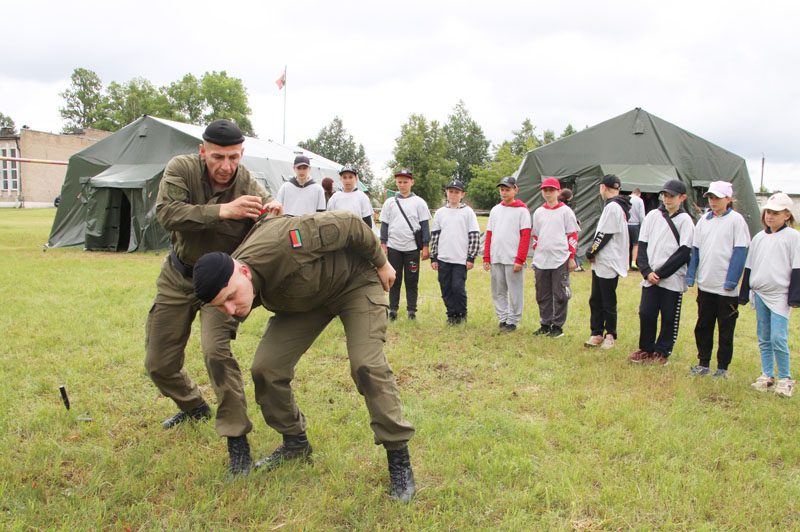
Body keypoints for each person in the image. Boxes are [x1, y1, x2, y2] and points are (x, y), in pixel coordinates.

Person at [191, 211, 417, 502]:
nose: (232, 309)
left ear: (244, 272)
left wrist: (382, 263)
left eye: (233, 297)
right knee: (266, 369)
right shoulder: (223, 289)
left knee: (366, 365)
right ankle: (295, 443)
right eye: (222, 305)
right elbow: (215, 340)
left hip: (354, 284)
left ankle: (398, 457)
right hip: (306, 303)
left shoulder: (285, 240)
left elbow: (349, 224)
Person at [145, 119, 282, 475]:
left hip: (221, 288)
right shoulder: (181, 169)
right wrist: (223, 210)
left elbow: (269, 222)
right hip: (179, 275)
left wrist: (273, 215)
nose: (226, 166)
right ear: (202, 151)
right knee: (159, 363)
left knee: (216, 353)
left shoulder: (248, 181)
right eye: (218, 157)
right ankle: (193, 406)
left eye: (234, 157)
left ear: (242, 154)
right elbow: (166, 213)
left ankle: (237, 440)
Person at [685, 181, 750, 378]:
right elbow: (695, 250)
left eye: (717, 198)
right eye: (711, 198)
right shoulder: (704, 220)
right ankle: (703, 363)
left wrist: (731, 281)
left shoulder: (736, 221)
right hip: (706, 285)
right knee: (703, 326)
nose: (713, 202)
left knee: (725, 329)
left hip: (725, 289)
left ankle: (722, 367)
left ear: (728, 199)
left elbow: (740, 252)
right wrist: (691, 275)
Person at [739, 193, 800, 397]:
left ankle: (785, 378)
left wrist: (795, 296)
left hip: (780, 295)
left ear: (786, 215)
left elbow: (797, 267)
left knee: (778, 337)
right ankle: (767, 375)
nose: (770, 216)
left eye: (775, 213)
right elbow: (749, 266)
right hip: (761, 293)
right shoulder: (759, 238)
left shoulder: (793, 237)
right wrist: (744, 292)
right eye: (768, 212)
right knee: (764, 337)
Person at [628, 180, 694, 365]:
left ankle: (662, 351)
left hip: (672, 279)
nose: (667, 199)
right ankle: (646, 348)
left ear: (682, 198)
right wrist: (647, 271)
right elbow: (642, 246)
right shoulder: (652, 216)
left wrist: (662, 273)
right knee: (646, 313)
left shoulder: (685, 221)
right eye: (664, 195)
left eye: (671, 196)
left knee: (669, 316)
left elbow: (683, 252)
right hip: (650, 277)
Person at [584, 174, 630, 349]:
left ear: (603, 187)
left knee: (607, 300)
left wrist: (591, 251)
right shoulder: (616, 206)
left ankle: (610, 334)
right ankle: (596, 332)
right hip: (604, 261)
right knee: (596, 298)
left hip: (609, 260)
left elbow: (604, 234)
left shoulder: (613, 207)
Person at [379, 169, 431, 321]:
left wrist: (426, 246)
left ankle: (411, 310)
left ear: (412, 182)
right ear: (396, 183)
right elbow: (384, 225)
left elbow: (424, 226)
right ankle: (393, 309)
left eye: (405, 181)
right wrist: (383, 243)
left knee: (411, 280)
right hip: (394, 247)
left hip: (412, 248)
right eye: (399, 182)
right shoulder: (389, 203)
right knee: (394, 279)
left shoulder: (419, 202)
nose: (402, 185)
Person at [531, 178, 579, 338]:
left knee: (560, 293)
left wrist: (571, 256)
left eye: (551, 190)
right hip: (542, 259)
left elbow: (572, 234)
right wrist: (536, 252)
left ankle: (557, 326)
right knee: (542, 293)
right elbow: (536, 235)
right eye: (545, 190)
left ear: (558, 192)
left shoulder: (565, 212)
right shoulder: (538, 212)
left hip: (560, 258)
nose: (548, 193)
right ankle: (545, 323)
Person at [483, 176, 532, 332]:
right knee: (498, 290)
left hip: (512, 258)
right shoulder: (496, 210)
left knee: (515, 290)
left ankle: (513, 320)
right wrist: (486, 256)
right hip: (497, 256)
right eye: (502, 190)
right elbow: (489, 233)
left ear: (515, 190)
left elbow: (525, 236)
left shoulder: (522, 211)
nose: (504, 193)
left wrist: (520, 258)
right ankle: (503, 317)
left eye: (507, 189)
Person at [429, 179, 481, 325]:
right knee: (445, 287)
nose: (453, 194)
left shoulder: (468, 212)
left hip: (460, 258)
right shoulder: (440, 213)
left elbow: (474, 235)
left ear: (462, 194)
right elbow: (435, 235)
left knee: (457, 287)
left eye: (456, 192)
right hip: (443, 258)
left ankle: (461, 314)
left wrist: (471, 257)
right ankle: (451, 314)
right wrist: (434, 257)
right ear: (446, 192)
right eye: (450, 191)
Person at [628, 188, 646, 270]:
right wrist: (644, 226)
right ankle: (633, 262)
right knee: (636, 244)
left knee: (626, 244)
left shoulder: (626, 198)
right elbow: (642, 215)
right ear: (639, 194)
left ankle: (625, 263)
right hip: (635, 225)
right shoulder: (640, 200)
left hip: (625, 224)